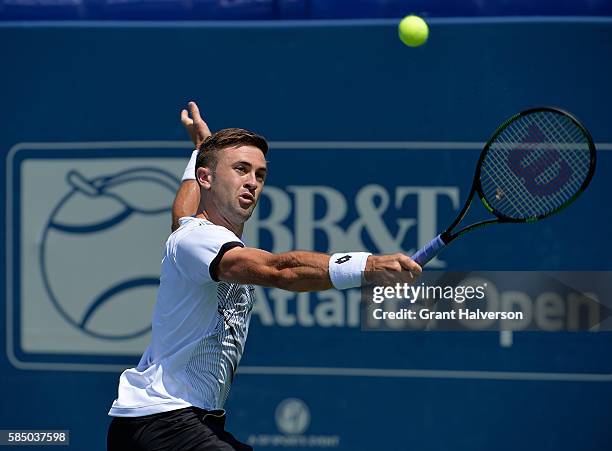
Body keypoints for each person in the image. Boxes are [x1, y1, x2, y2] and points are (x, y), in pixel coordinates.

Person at [107, 102, 422, 450]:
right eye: (241, 169)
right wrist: (366, 266)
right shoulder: (199, 239)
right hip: (165, 422)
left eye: (259, 174)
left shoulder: (188, 232)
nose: (252, 182)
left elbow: (181, 212)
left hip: (171, 423)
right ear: (206, 178)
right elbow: (280, 271)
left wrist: (200, 148)